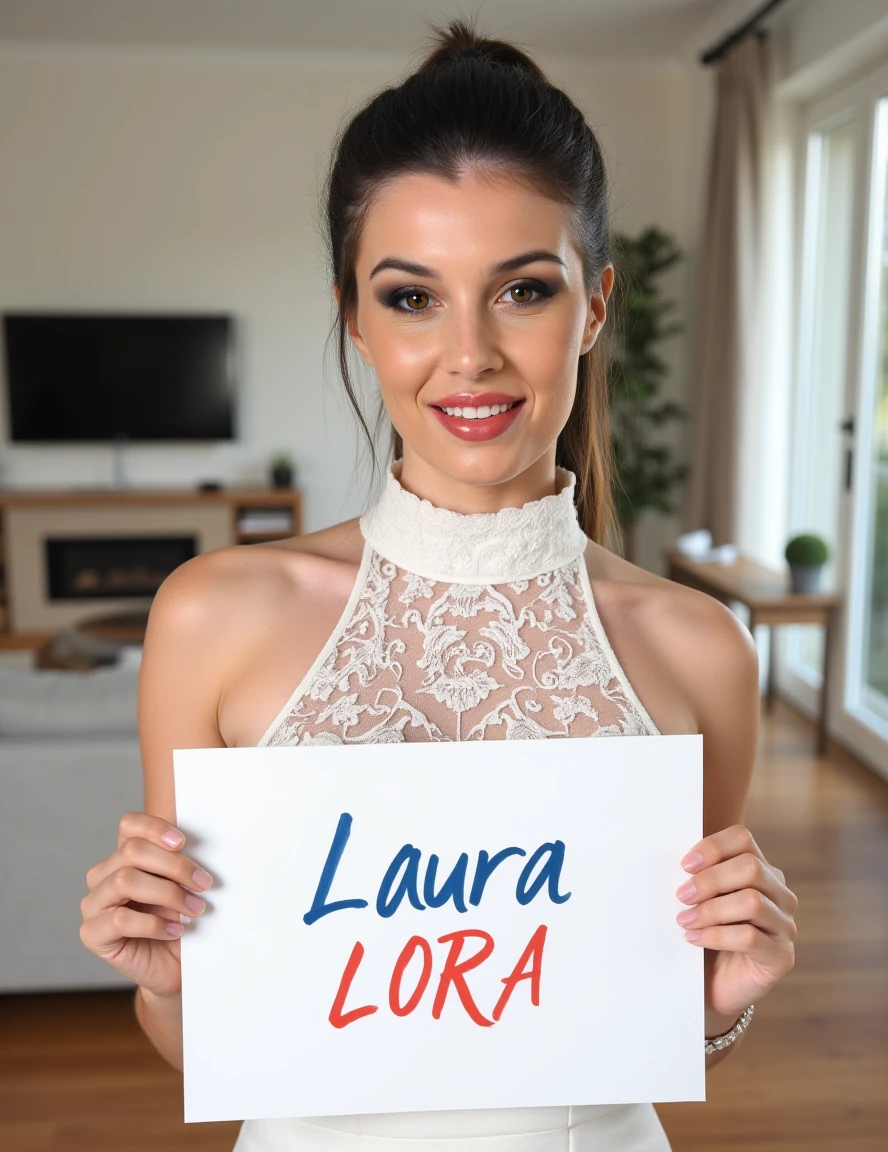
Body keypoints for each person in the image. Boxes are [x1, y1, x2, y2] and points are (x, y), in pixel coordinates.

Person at [79, 16, 798, 1151]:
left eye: (522, 291)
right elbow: (209, 1042)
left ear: (594, 305)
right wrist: (166, 979)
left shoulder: (700, 648)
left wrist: (718, 1000)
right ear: (355, 318)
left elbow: (667, 1021)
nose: (468, 355)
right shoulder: (212, 616)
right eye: (412, 297)